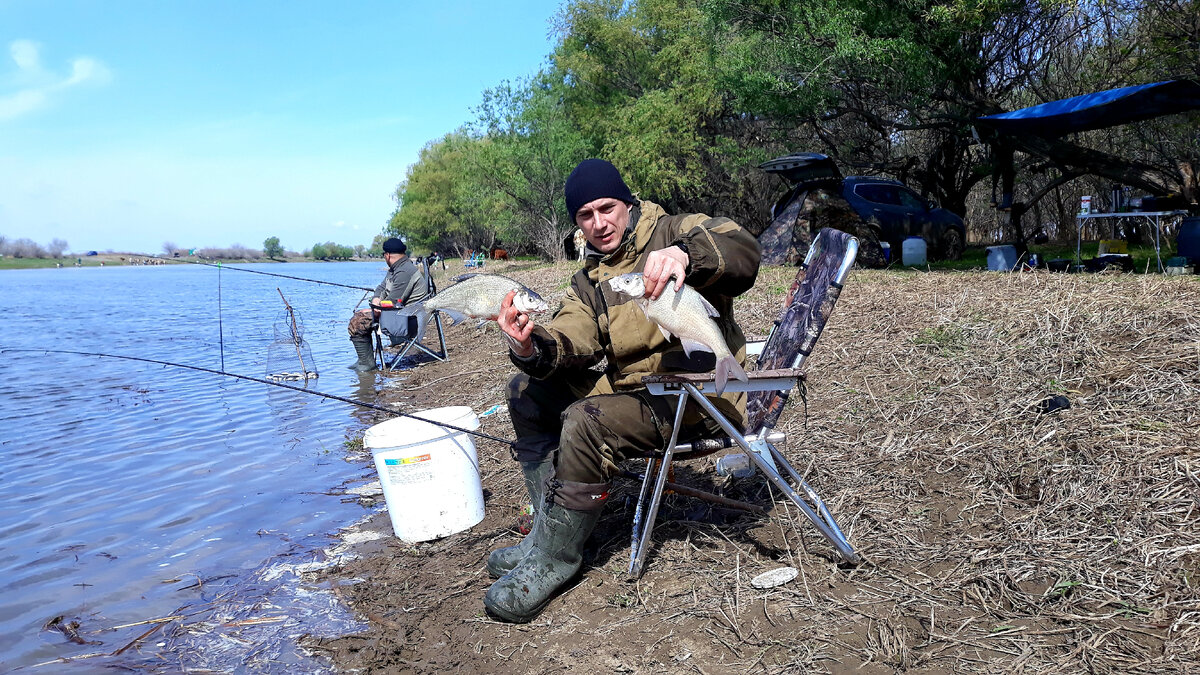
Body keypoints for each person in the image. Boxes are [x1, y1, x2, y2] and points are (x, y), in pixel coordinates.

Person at [483, 158, 761, 623]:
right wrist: (531, 344)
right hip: (635, 394)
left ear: (627, 202)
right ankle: (552, 533)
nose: (599, 223)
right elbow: (573, 334)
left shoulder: (678, 229)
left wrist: (685, 256)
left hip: (697, 396)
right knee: (524, 391)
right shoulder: (591, 278)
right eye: (585, 216)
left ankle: (558, 559)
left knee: (585, 420)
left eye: (607, 208)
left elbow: (745, 251)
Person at [346, 238, 427, 371]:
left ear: (387, 255)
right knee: (360, 315)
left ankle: (367, 364)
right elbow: (381, 287)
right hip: (400, 314)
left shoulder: (404, 271)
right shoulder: (396, 268)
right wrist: (376, 299)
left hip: (408, 319)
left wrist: (374, 310)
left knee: (359, 321)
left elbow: (393, 301)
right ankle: (364, 361)